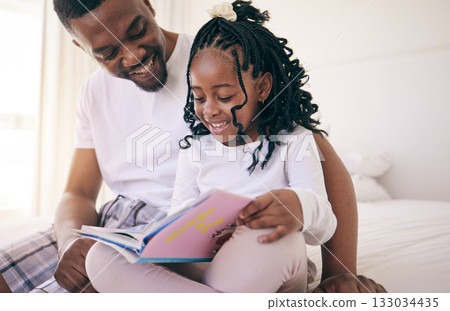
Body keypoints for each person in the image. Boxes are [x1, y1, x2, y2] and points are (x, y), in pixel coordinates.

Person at [0, 0, 385, 293]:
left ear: (149, 4)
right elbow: (79, 191)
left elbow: (314, 151)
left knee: (268, 245)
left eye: (136, 31)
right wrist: (71, 241)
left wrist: (340, 273)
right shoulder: (97, 94)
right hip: (149, 234)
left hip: (238, 234)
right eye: (107, 52)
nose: (132, 55)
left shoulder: (216, 57)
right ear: (81, 48)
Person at [84, 1, 337, 292]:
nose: (210, 111)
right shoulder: (195, 150)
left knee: (273, 235)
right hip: (206, 269)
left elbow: (324, 227)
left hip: (263, 260)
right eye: (199, 98)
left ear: (263, 87)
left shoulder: (295, 141)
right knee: (101, 256)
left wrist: (301, 207)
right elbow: (178, 216)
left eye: (225, 96)